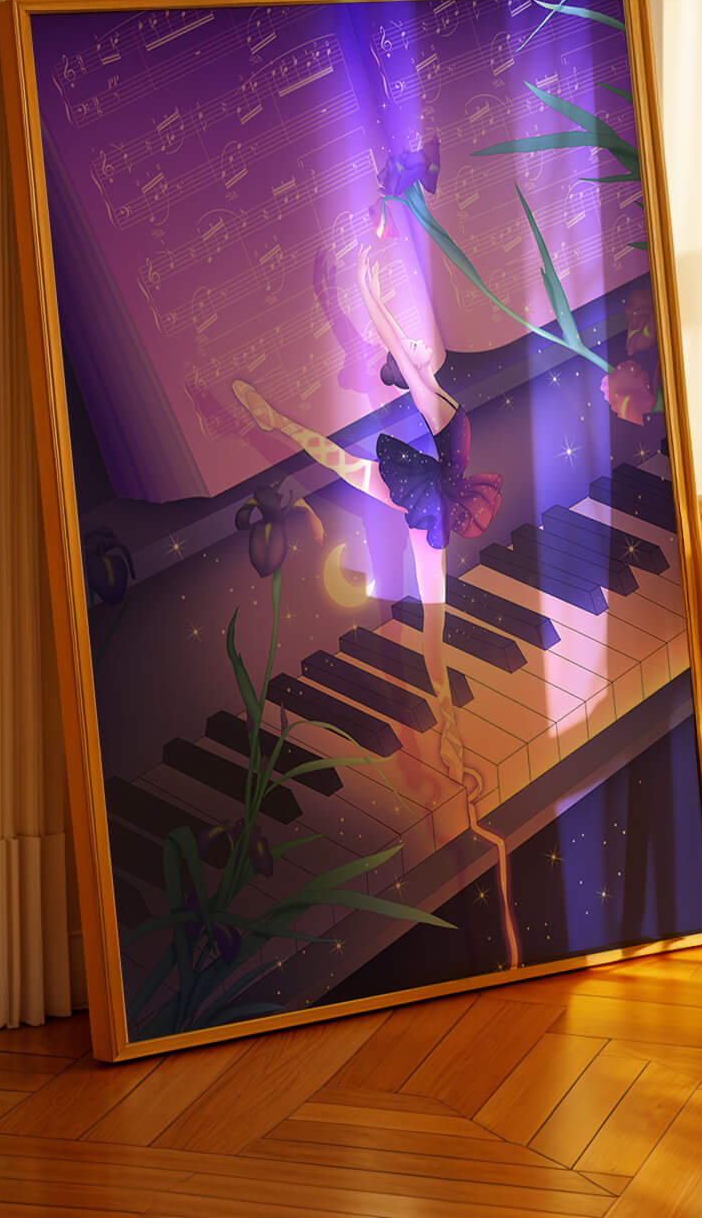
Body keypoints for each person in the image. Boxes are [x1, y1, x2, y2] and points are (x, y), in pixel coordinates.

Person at [232, 245, 522, 968]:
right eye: (414, 351)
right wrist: (363, 285)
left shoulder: (439, 403)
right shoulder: (432, 401)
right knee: (426, 624)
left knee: (432, 633)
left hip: (429, 498)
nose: (419, 347)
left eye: (419, 349)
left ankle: (456, 758)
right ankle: (457, 759)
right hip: (419, 489)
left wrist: (365, 286)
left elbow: (394, 341)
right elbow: (391, 341)